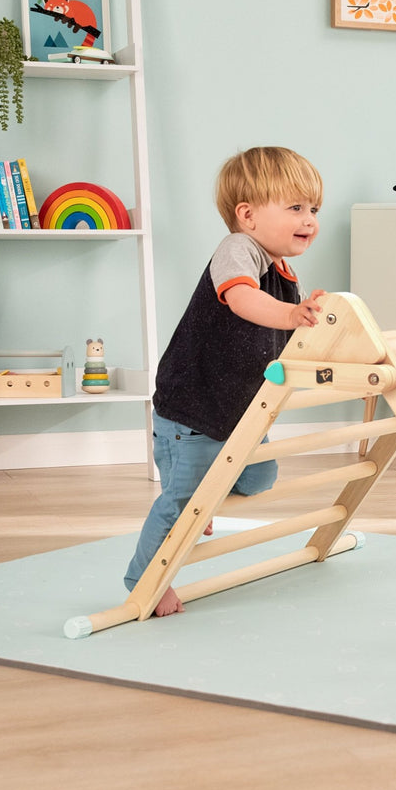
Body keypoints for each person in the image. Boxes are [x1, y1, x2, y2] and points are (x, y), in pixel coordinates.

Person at [124, 146, 326, 617]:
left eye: (313, 209)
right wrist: (294, 313)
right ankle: (145, 579)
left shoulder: (282, 270)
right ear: (248, 215)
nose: (310, 219)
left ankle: (207, 500)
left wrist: (309, 328)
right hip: (193, 407)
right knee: (181, 501)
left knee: (260, 476)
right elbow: (243, 302)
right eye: (295, 207)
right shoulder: (238, 250)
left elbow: (276, 335)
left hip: (238, 407)